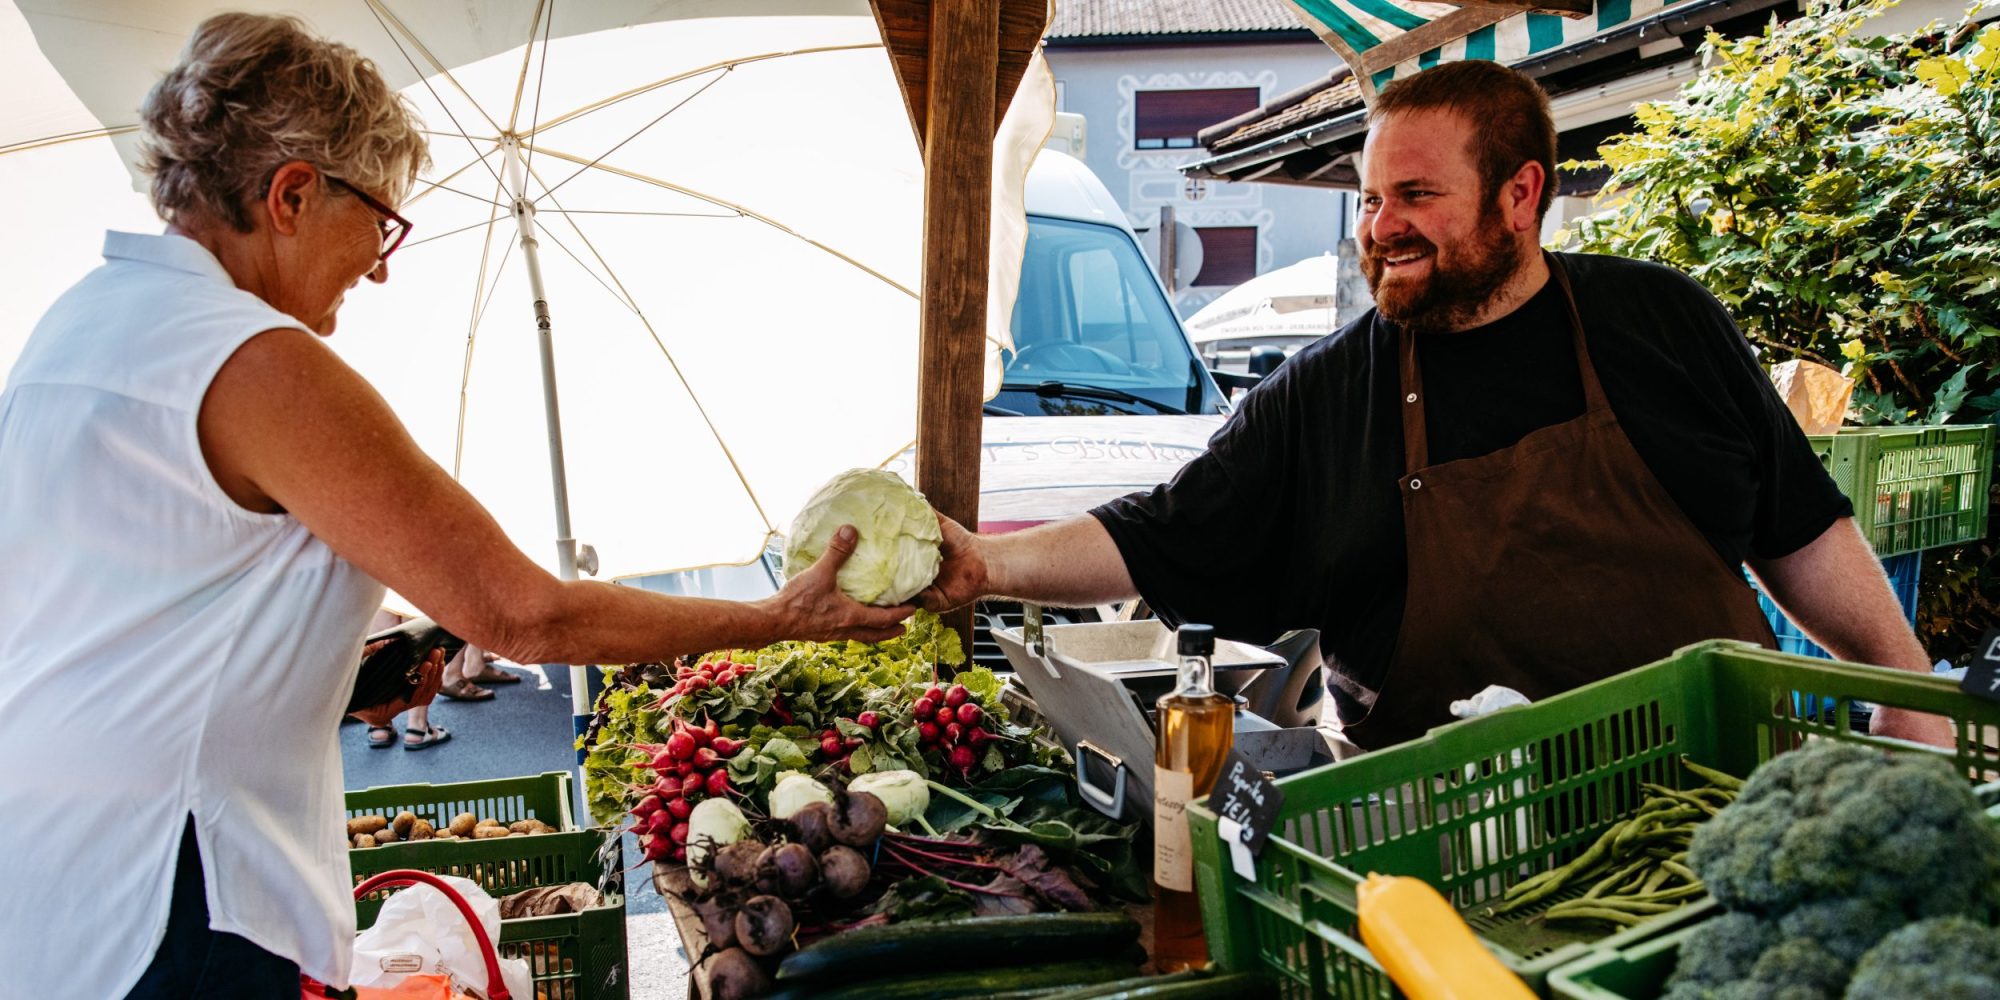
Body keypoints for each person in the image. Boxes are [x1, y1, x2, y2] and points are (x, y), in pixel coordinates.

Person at [0, 13, 909, 999]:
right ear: (293, 194)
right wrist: (782, 616)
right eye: (381, 221)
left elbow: (128, 622)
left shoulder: (78, 327)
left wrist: (350, 680)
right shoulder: (257, 359)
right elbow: (528, 615)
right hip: (179, 896)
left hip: (50, 882)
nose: (383, 262)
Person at [919, 59, 1950, 751]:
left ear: (1519, 194)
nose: (1380, 226)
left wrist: (1897, 677)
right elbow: (1159, 533)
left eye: (1415, 196)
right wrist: (981, 561)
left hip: (1708, 792)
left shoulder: (1656, 322)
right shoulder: (1327, 392)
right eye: (1369, 199)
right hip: (1439, 834)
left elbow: (1794, 525)